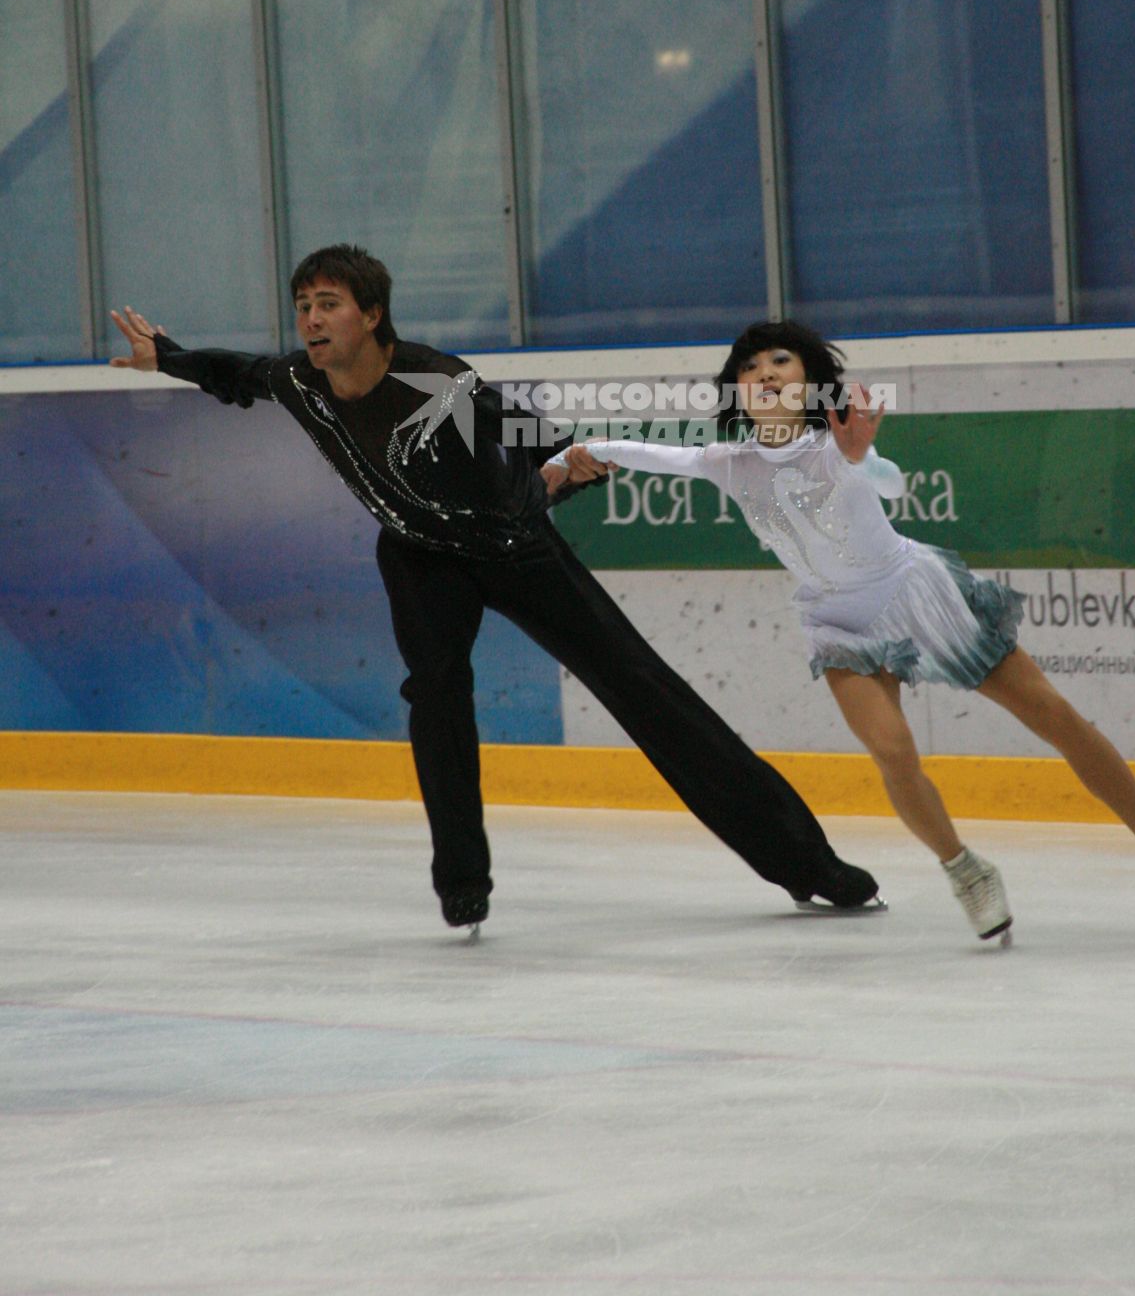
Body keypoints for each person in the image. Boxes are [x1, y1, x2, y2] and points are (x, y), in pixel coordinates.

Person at [108, 252, 881, 934]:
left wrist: (563, 472)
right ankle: (462, 885)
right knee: (436, 694)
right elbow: (237, 374)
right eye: (303, 304)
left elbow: (517, 473)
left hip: (512, 543)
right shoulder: (298, 379)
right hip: (418, 554)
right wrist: (165, 357)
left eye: (328, 303)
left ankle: (807, 864)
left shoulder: (438, 383)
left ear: (371, 314)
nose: (311, 318)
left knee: (642, 686)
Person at [547, 319, 1135, 946]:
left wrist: (855, 455)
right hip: (836, 619)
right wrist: (566, 463)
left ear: (811, 383)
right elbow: (635, 448)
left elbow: (880, 481)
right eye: (751, 366)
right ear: (737, 391)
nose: (764, 373)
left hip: (919, 596)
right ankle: (966, 870)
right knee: (892, 749)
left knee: (1054, 716)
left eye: (781, 363)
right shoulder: (727, 463)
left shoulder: (837, 447)